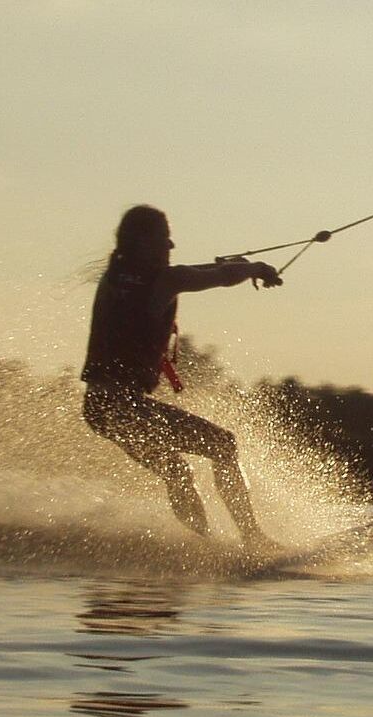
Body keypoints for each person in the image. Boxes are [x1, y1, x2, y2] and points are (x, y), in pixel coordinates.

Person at [81, 205, 283, 549]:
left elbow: (195, 272)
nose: (171, 244)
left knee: (177, 472)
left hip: (99, 408)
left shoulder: (115, 276)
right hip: (123, 405)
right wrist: (256, 268)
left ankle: (201, 547)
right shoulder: (164, 280)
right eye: (163, 238)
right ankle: (253, 539)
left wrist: (233, 266)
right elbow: (207, 277)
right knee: (224, 445)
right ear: (143, 243)